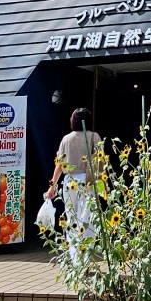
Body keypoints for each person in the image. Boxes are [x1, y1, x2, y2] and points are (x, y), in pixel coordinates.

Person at [45, 109, 103, 257]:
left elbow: (59, 165)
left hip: (69, 181)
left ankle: (74, 256)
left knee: (72, 218)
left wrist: (52, 186)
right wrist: (104, 186)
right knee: (87, 219)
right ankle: (85, 257)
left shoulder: (66, 139)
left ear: (73, 120)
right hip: (88, 182)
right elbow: (100, 162)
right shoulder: (94, 137)